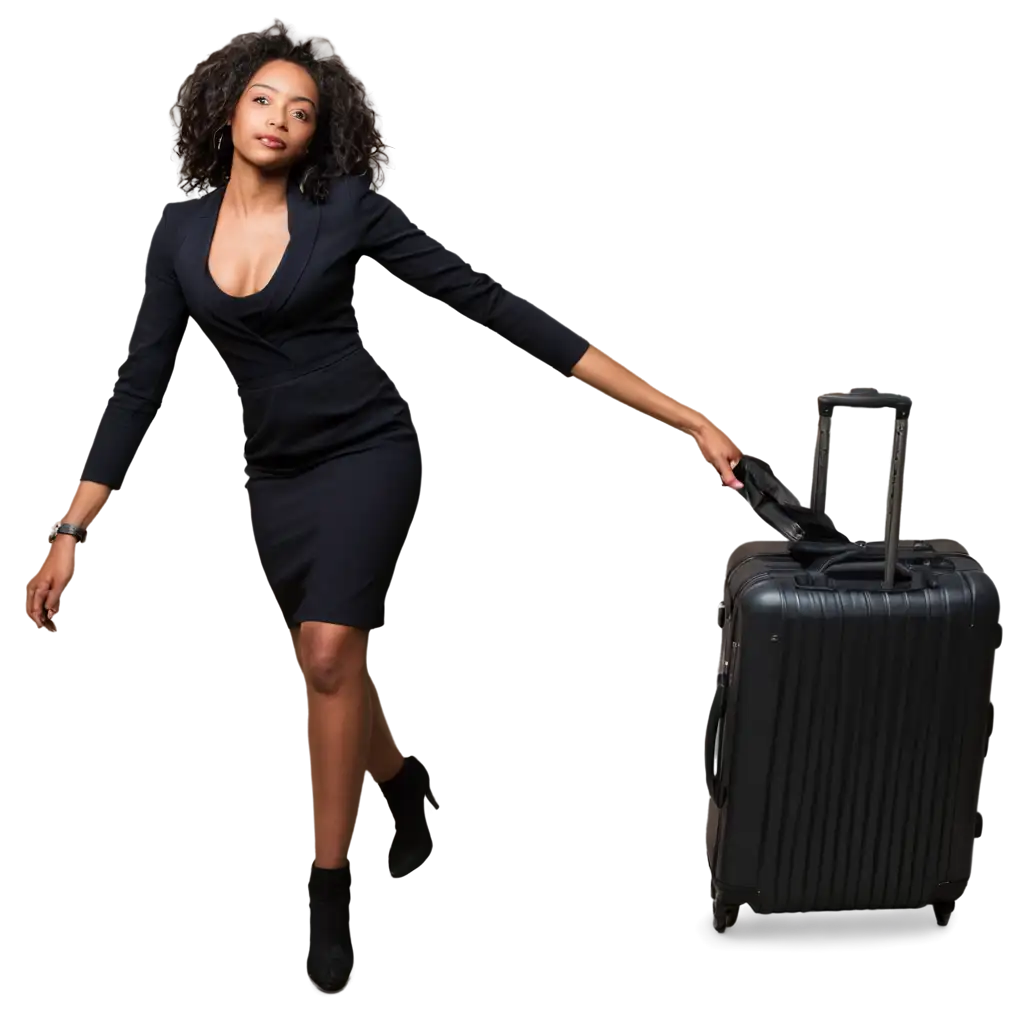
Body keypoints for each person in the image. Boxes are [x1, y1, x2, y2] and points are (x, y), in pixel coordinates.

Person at [22, 29, 742, 998]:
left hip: (364, 452)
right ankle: (403, 777)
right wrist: (73, 529)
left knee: (326, 655)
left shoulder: (344, 213)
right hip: (275, 474)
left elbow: (495, 307)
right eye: (265, 100)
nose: (280, 120)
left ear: (321, 135)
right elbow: (136, 387)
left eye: (302, 110)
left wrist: (682, 416)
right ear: (227, 110)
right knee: (337, 672)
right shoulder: (176, 234)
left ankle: (326, 893)